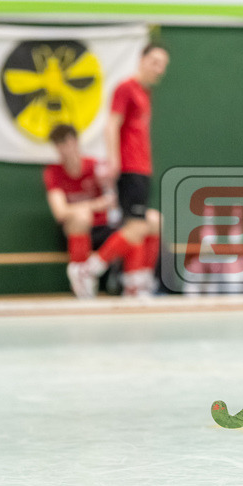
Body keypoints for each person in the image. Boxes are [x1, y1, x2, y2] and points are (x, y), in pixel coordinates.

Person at [68, 44, 167, 297]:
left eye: (163, 65)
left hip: (143, 170)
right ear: (142, 60)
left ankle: (136, 283)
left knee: (150, 225)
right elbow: (112, 125)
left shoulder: (146, 94)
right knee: (136, 227)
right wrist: (114, 160)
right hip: (129, 168)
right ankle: (88, 269)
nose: (159, 69)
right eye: (154, 62)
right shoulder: (126, 88)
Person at [44, 125, 117, 298]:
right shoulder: (53, 172)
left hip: (103, 230)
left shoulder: (96, 167)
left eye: (68, 142)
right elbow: (60, 212)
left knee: (142, 223)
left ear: (76, 142)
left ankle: (128, 281)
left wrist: (107, 188)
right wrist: (94, 205)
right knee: (81, 216)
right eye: (59, 144)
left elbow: (111, 202)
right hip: (73, 232)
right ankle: (81, 279)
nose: (65, 148)